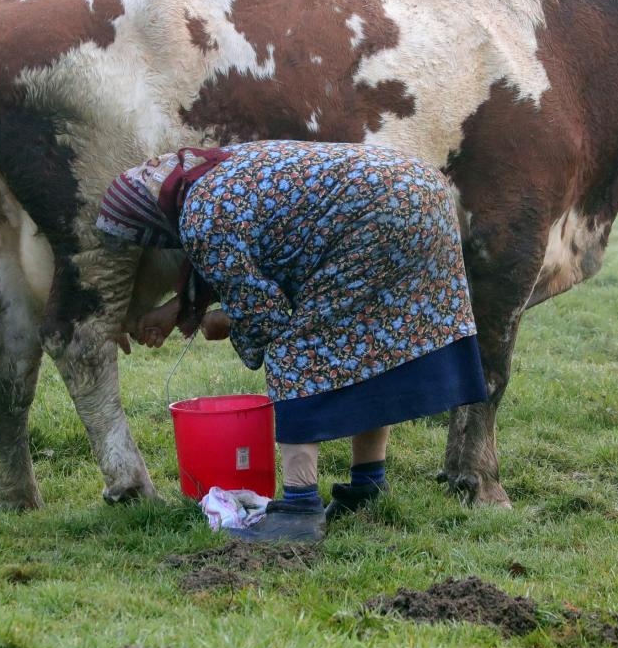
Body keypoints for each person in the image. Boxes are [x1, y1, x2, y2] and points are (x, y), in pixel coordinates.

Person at [96, 140, 488, 542]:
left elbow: (263, 312)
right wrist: (178, 309)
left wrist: (222, 321)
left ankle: (300, 507)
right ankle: (368, 486)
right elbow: (256, 249)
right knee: (372, 338)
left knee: (294, 348)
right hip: (424, 192)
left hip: (377, 214)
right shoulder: (214, 170)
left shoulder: (200, 215)